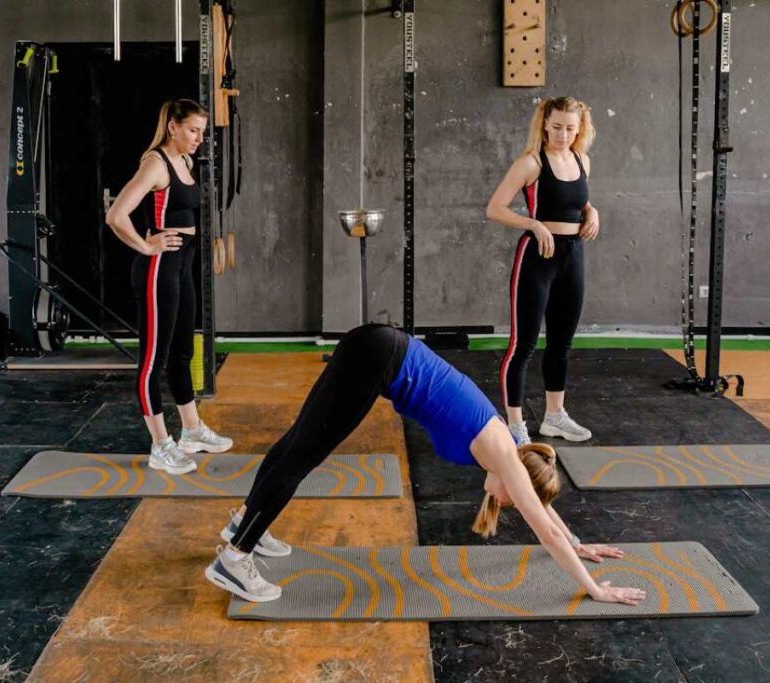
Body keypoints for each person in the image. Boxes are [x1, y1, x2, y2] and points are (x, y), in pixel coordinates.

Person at [204, 324, 645, 608]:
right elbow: (542, 527)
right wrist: (595, 587)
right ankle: (235, 557)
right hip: (379, 358)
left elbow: (545, 511)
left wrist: (578, 541)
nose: (510, 504)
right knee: (302, 456)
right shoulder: (508, 458)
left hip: (377, 346)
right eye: (517, 499)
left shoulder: (508, 451)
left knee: (296, 444)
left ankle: (244, 524)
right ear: (519, 483)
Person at [105, 99, 232, 475]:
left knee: (182, 354)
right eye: (193, 130)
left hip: (182, 266)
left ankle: (191, 431)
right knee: (152, 361)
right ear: (173, 127)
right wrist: (146, 245)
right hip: (158, 268)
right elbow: (116, 215)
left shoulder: (186, 162)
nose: (198, 138)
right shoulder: (155, 164)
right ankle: (160, 445)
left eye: (202, 132)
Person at [486, 96, 600, 446]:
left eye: (570, 128)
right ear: (544, 125)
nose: (563, 135)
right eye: (556, 127)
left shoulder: (582, 160)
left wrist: (593, 211)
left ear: (580, 128)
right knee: (523, 345)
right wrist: (533, 225)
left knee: (562, 343)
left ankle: (554, 417)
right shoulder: (531, 163)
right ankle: (516, 424)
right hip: (537, 258)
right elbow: (495, 209)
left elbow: (577, 203)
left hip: (573, 255)